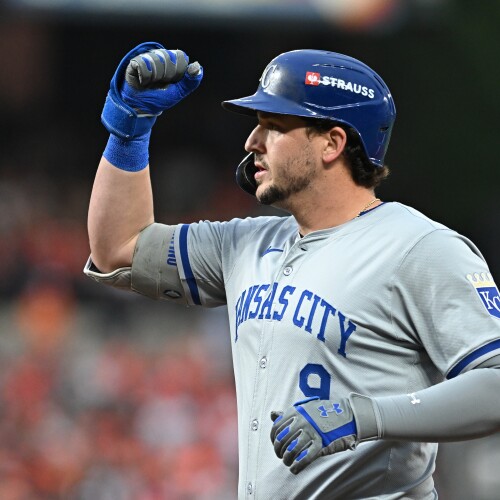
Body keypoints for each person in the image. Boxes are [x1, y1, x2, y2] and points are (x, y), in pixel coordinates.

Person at [85, 42, 500, 499]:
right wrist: (130, 127)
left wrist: (364, 416)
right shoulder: (245, 243)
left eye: (274, 126)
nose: (252, 142)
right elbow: (119, 249)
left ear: (332, 143)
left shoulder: (419, 247)